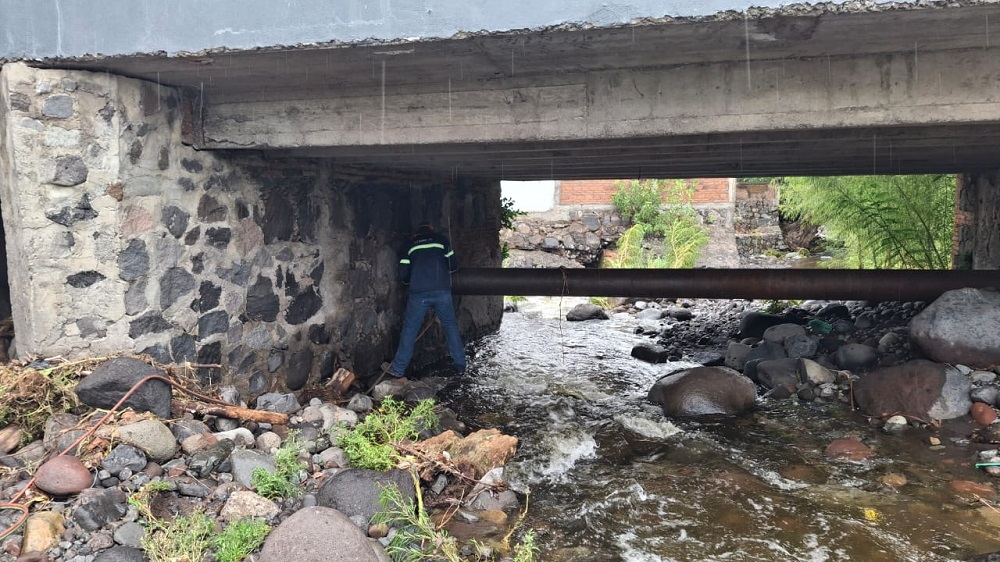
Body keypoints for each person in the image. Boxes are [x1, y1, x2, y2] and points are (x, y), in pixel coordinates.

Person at [386, 222, 467, 378]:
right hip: (442, 291)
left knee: (409, 330)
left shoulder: (409, 245)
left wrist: (412, 280)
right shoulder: (441, 240)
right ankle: (460, 365)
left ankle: (398, 369)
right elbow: (453, 266)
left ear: (417, 233)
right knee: (450, 327)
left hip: (418, 294)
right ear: (432, 228)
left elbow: (403, 274)